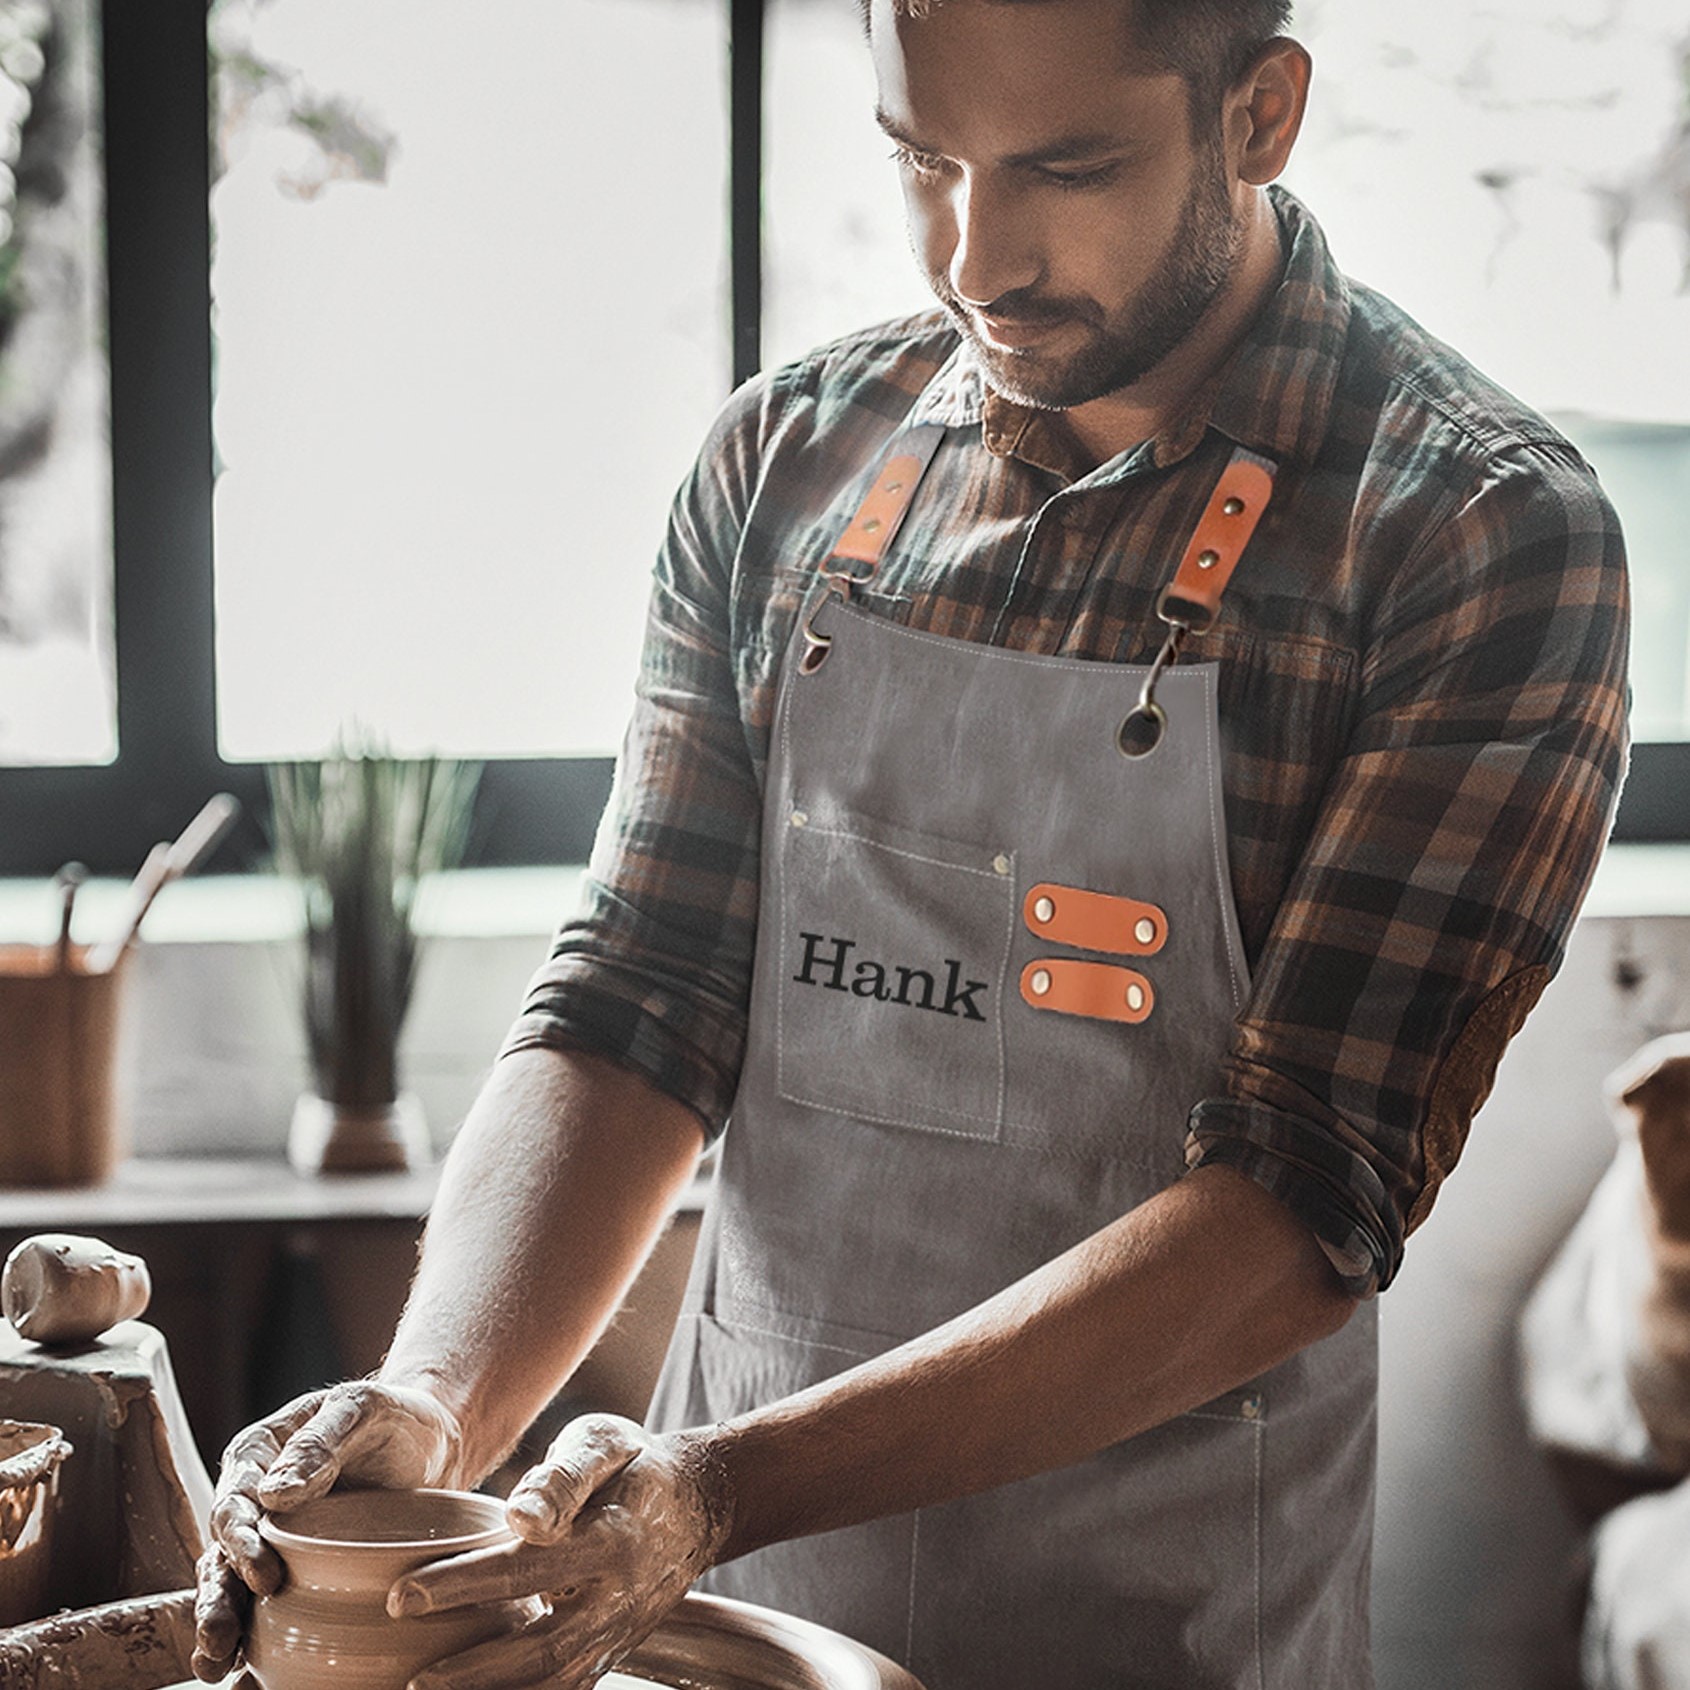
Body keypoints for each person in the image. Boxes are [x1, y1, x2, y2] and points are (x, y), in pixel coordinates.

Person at [192, 1, 1631, 1686]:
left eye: (1064, 168)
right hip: (716, 1607)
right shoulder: (786, 465)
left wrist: (718, 1487)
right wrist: (439, 1399)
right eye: (919, 160)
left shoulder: (1476, 539)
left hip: (1144, 1622)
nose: (974, 257)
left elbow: (1297, 1203)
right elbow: (635, 1002)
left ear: (1258, 115)